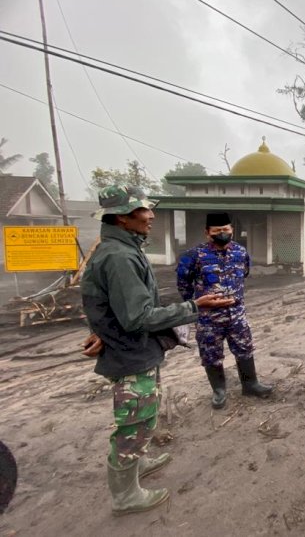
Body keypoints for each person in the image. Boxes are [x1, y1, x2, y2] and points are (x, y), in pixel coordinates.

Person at [80, 185, 233, 516]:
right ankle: (125, 496)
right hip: (130, 353)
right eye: (142, 211)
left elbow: (107, 302)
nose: (150, 215)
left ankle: (138, 462)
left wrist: (101, 331)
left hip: (134, 348)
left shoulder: (121, 248)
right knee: (134, 422)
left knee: (145, 414)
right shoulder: (119, 257)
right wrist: (195, 305)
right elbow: (138, 317)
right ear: (122, 217)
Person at [176, 213, 273, 409]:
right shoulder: (193, 256)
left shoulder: (240, 252)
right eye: (217, 231)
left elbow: (243, 274)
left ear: (232, 230)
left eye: (226, 230)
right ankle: (219, 391)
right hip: (208, 318)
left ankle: (251, 384)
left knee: (244, 348)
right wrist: (196, 306)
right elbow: (183, 285)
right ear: (207, 233)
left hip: (237, 314)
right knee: (211, 354)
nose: (222, 233)